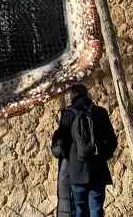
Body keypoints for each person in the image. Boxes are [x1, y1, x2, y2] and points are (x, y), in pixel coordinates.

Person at [51, 83, 118, 217]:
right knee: (96, 209)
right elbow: (112, 141)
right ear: (87, 94)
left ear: (72, 95)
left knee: (79, 209)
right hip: (98, 170)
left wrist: (68, 156)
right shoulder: (100, 112)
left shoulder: (68, 113)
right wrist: (101, 156)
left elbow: (62, 142)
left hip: (77, 170)